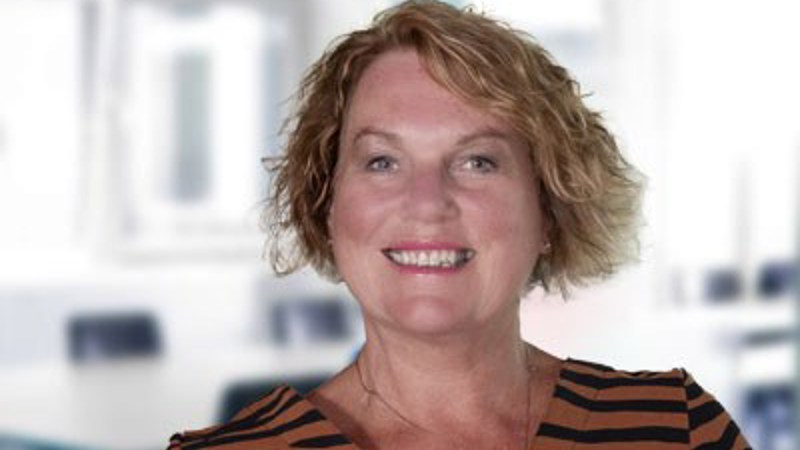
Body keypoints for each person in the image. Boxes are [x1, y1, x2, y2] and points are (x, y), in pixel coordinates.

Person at [168, 1, 751, 449]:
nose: (427, 203)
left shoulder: (679, 428)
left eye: (478, 161)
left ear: (550, 208)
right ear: (327, 202)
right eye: (381, 161)